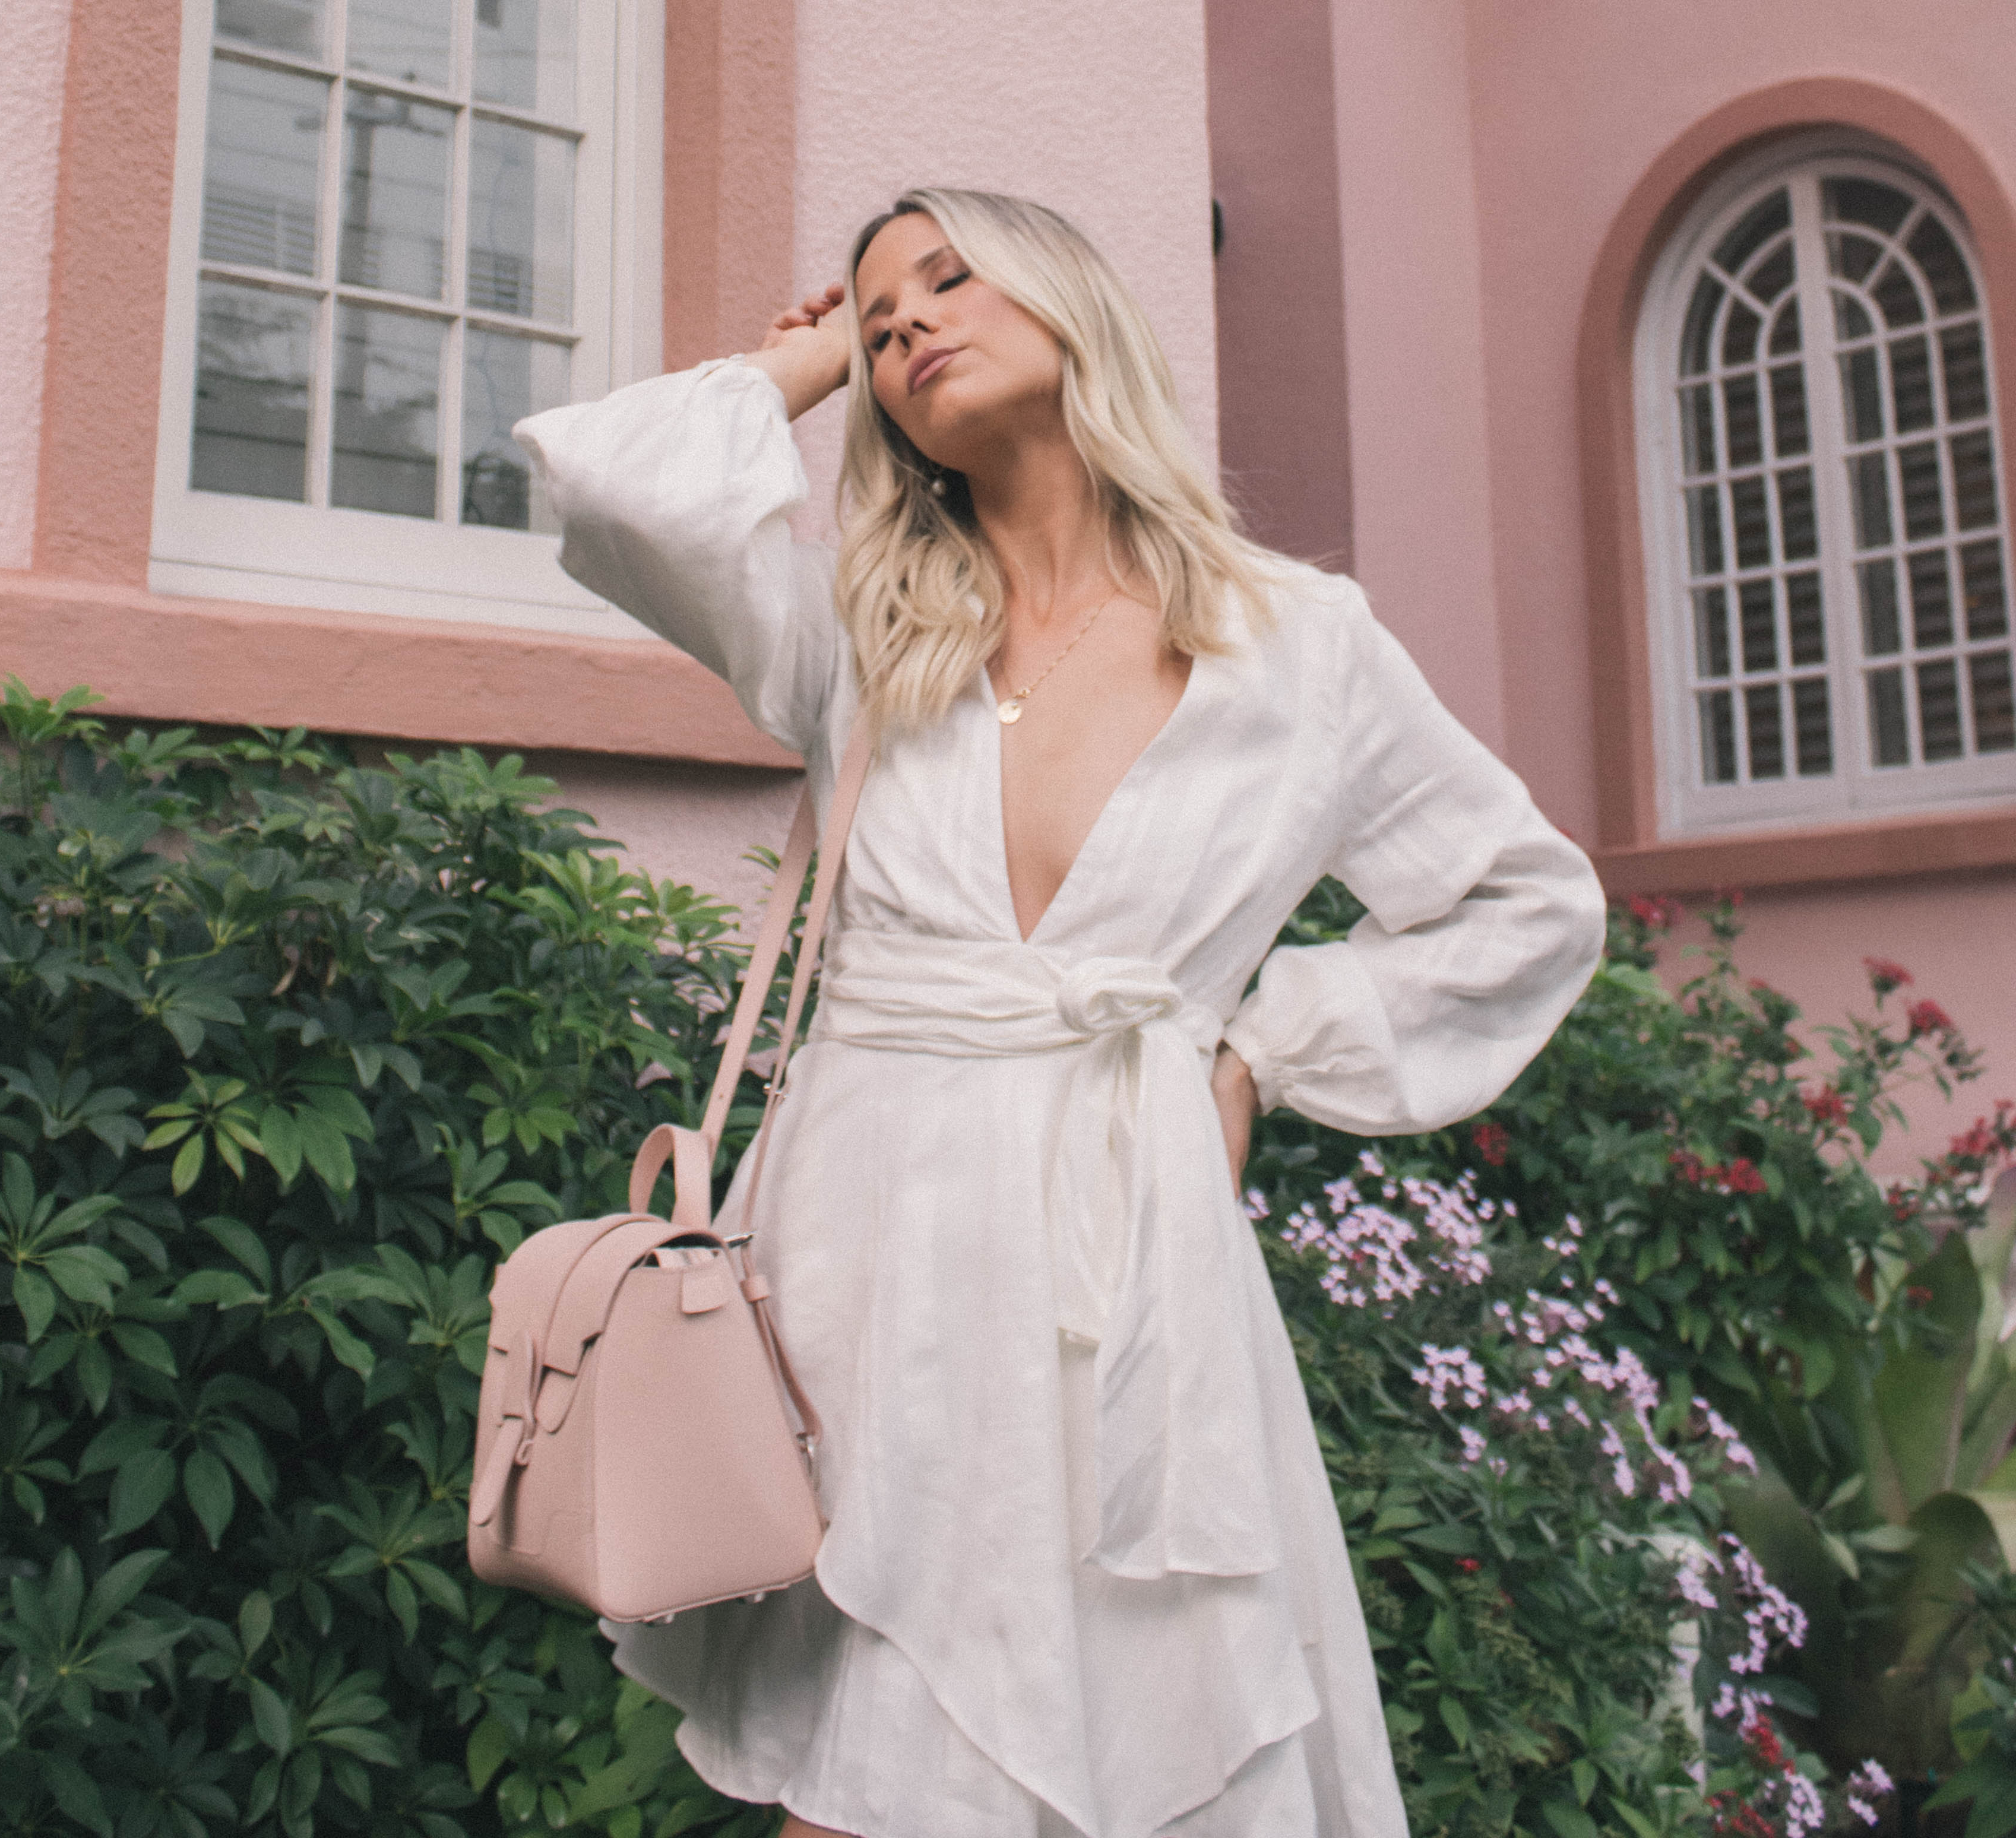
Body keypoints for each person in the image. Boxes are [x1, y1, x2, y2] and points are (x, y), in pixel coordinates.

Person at [515, 187, 1605, 1838]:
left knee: (1151, 1760)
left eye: (950, 281)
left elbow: (1527, 903)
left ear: (1071, 302)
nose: (909, 326)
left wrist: (1261, 1052)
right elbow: (609, 478)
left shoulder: (1299, 647)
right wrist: (802, 365)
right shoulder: (858, 638)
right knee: (861, 1782)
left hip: (1128, 1282)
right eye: (881, 320)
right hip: (860, 1279)